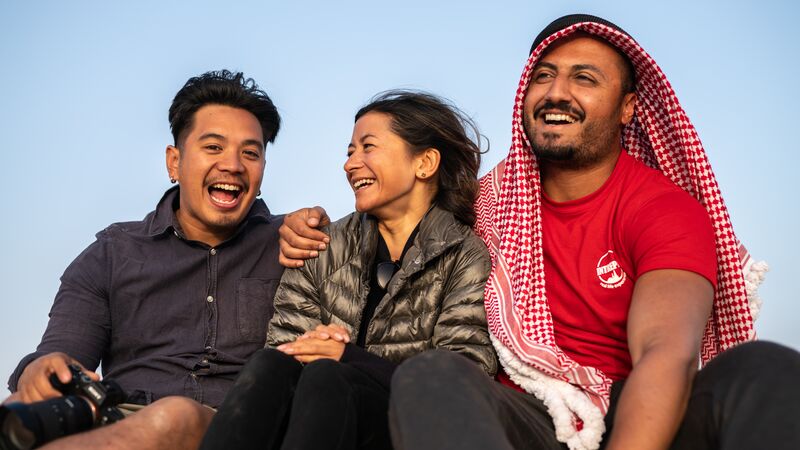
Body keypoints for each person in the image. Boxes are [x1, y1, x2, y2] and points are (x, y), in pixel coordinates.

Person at [279, 14, 800, 450]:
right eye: (544, 75)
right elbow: (388, 217)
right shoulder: (488, 202)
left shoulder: (664, 208)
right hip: (522, 415)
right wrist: (297, 226)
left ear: (628, 108)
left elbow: (667, 354)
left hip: (640, 413)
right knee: (432, 374)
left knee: (767, 370)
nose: (557, 93)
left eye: (585, 78)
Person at [199, 91, 496, 450]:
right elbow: (288, 349)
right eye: (349, 151)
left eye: (368, 147)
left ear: (425, 163)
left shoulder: (464, 254)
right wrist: (319, 354)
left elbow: (463, 377)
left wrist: (350, 358)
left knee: (329, 376)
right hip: (316, 418)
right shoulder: (320, 245)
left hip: (407, 428)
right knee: (268, 364)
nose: (351, 164)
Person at [3, 70, 284, 450]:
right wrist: (40, 370)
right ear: (174, 162)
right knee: (19, 408)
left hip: (238, 426)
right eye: (213, 147)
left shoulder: (291, 244)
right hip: (122, 419)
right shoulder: (112, 253)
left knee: (175, 416)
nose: (233, 165)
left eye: (250, 153)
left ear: (262, 169)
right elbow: (63, 354)